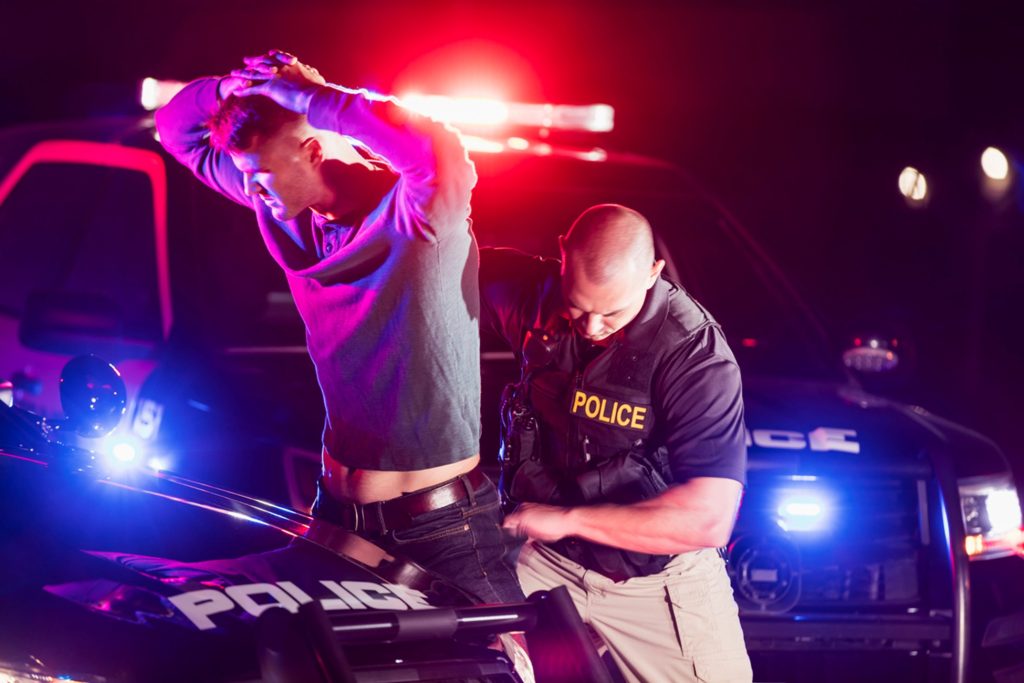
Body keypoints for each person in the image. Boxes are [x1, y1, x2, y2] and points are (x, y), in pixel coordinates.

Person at [155, 50, 522, 604]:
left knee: (505, 649)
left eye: (260, 176)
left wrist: (311, 96)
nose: (250, 190)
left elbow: (438, 148)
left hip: (439, 530)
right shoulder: (281, 206)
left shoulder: (419, 213)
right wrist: (235, 86)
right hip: (335, 518)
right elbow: (174, 129)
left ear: (312, 150)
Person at [480, 204, 752, 681]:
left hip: (657, 582)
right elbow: (428, 251)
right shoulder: (527, 291)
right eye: (579, 306)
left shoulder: (696, 355)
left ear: (652, 273)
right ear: (562, 253)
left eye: (611, 313)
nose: (590, 327)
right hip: (543, 561)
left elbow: (708, 519)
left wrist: (567, 519)